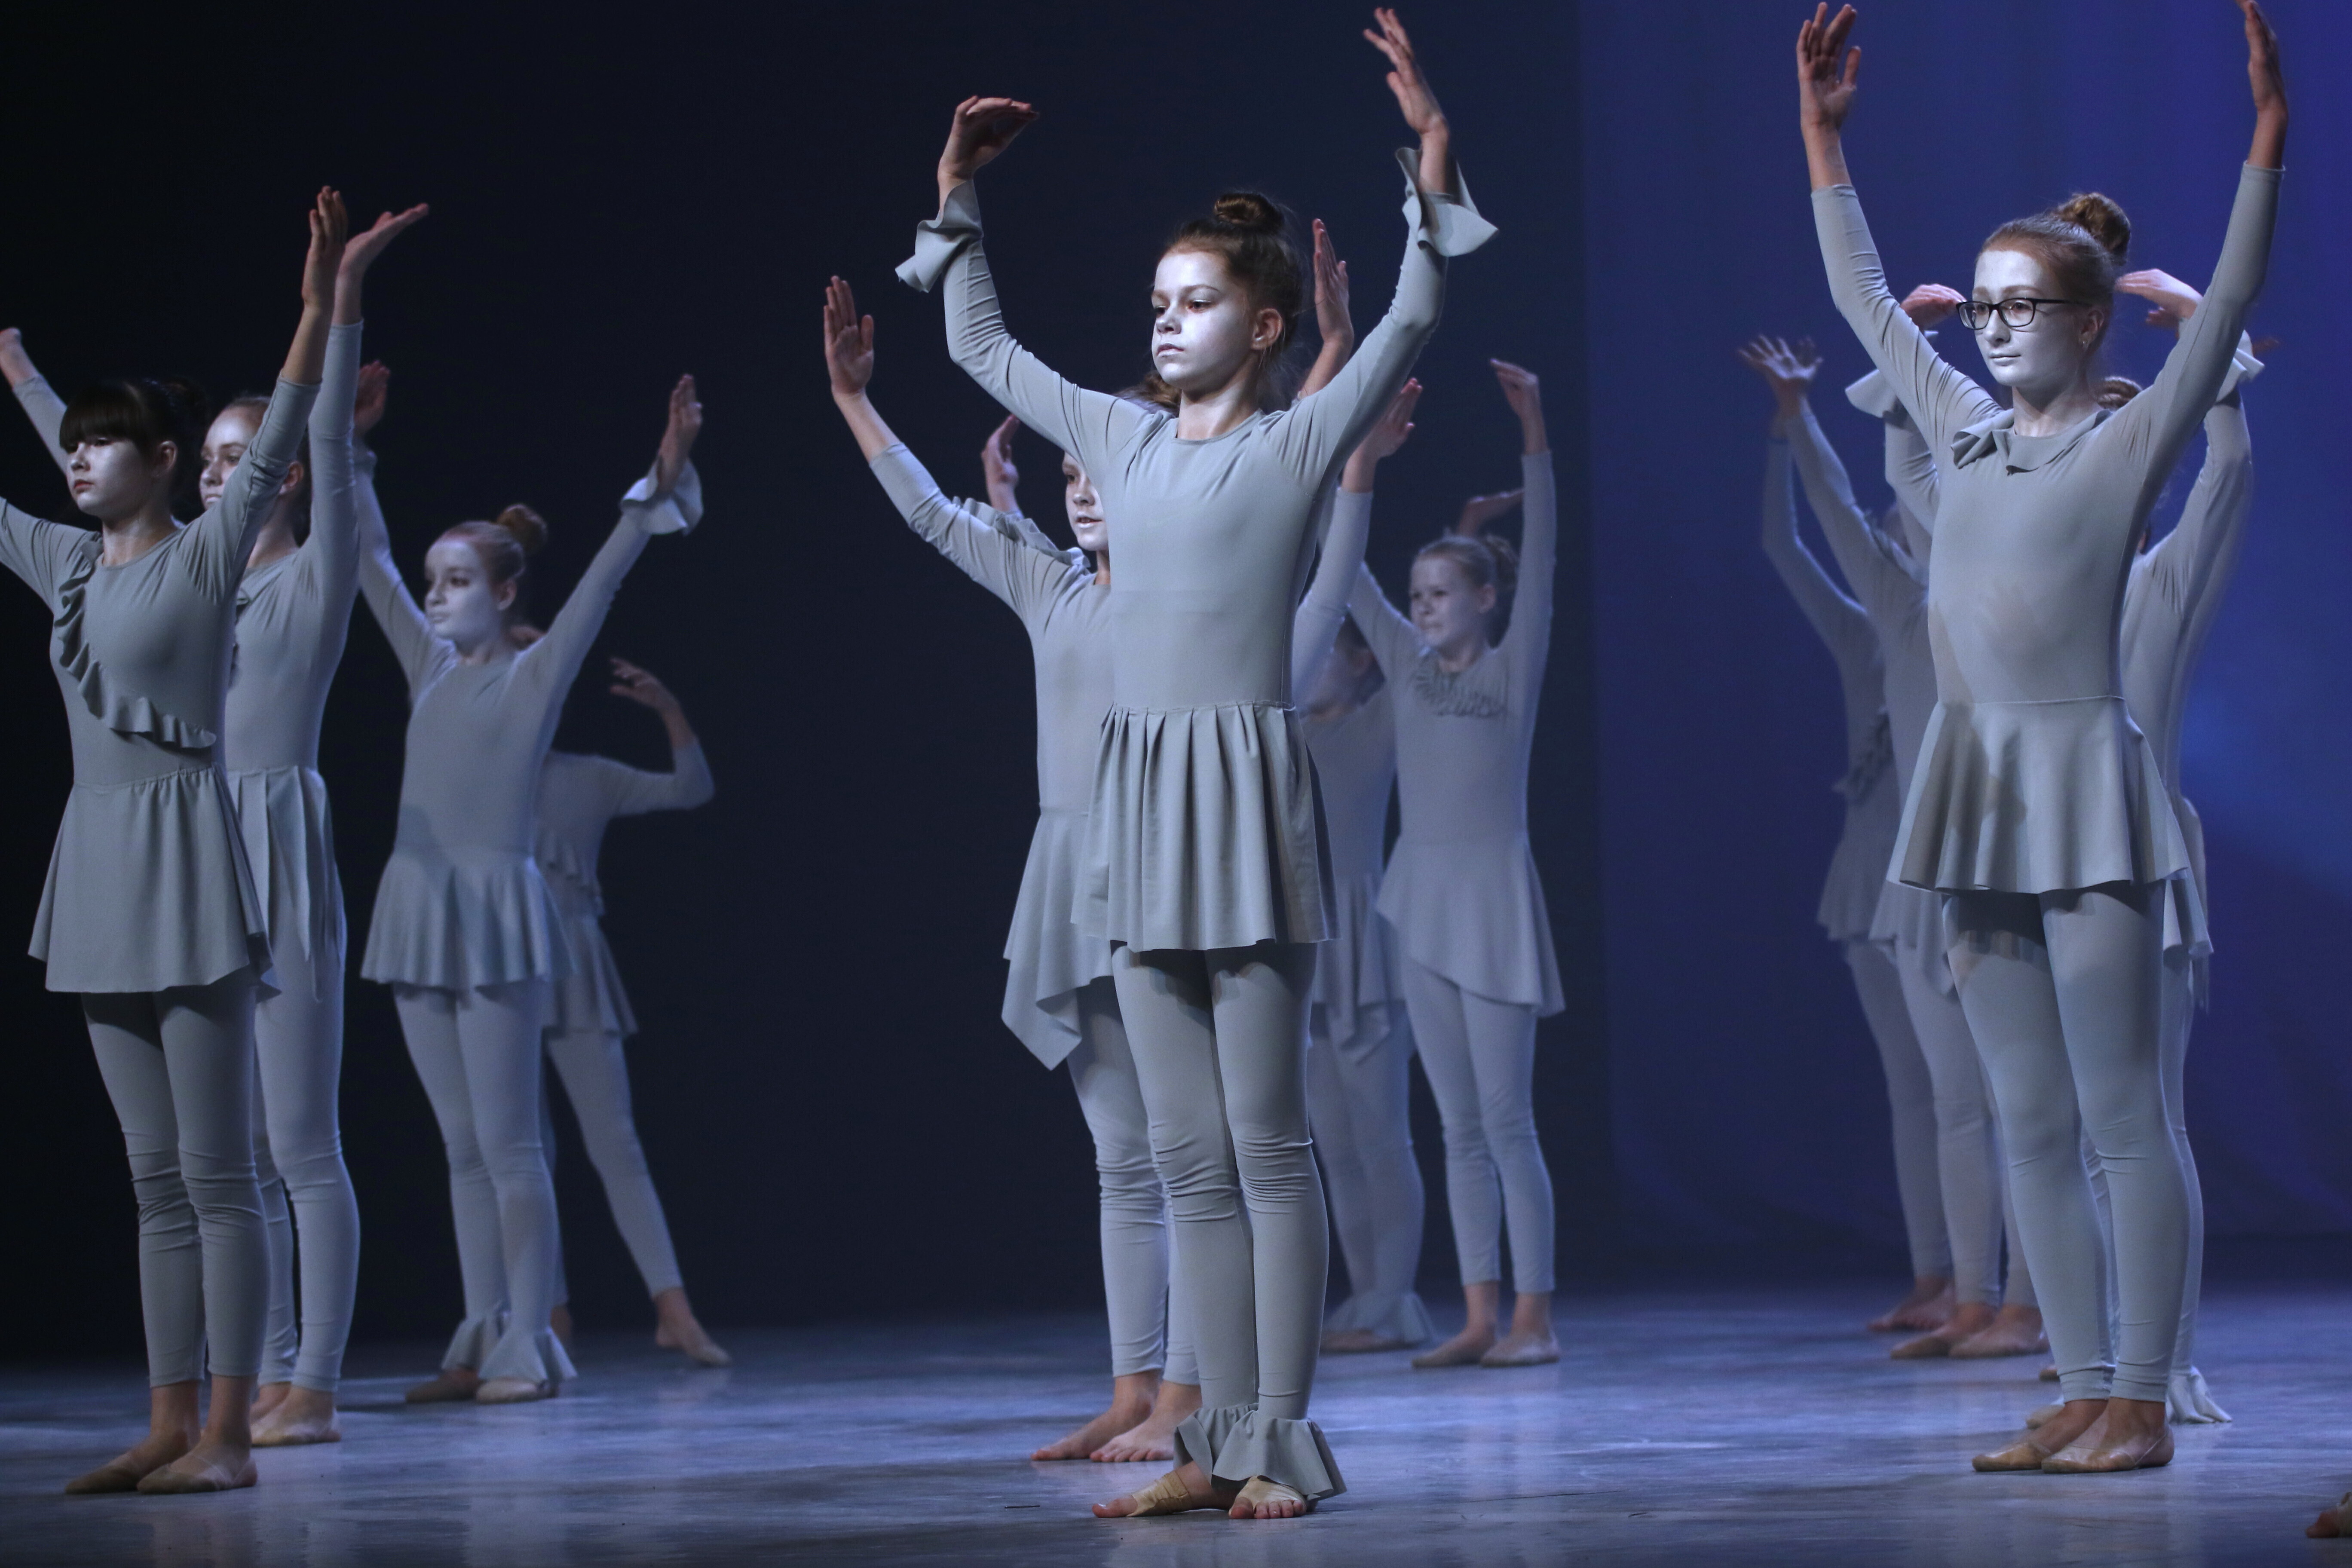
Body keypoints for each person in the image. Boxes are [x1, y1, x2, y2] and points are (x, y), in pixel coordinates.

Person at [899, 8, 1489, 1518]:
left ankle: (1280, 1441)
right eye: (1157, 301)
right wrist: (957, 194)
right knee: (1184, 1152)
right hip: (1137, 803)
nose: (1165, 323)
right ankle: (1209, 1441)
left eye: (1198, 301)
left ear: (1266, 326)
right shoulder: (1118, 437)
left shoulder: (1293, 445)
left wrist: (1430, 152)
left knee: (1266, 1142)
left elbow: (1414, 314)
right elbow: (976, 346)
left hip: (1242, 793)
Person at [1796, 0, 2283, 1472]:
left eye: (2027, 305)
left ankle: (2140, 1396)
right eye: (1988, 306)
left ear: (2088, 322)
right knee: (2025, 1116)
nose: (1999, 324)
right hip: (1978, 785)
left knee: (2120, 1112)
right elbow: (1863, 296)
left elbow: (2230, 306)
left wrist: (2265, 141)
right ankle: (2078, 1382)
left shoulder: (2129, 440)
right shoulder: (1959, 432)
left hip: (2084, 780)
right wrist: (1823, 142)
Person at [3, 202, 423, 1448]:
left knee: (294, 1142)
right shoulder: (166, 572)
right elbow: (91, 476)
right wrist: (23, 376)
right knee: (210, 1153)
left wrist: (335, 311)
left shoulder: (305, 568)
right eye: (215, 456)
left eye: (247, 457)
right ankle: (247, 1378)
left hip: (264, 841)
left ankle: (308, 1382)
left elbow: (316, 445)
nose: (225, 471)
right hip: (163, 848)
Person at [353, 374, 705, 1404]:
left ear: (505, 594)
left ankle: (529, 1344)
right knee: (462, 1146)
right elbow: (369, 560)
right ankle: (480, 1335)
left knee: (513, 1147)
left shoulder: (534, 676)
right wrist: (359, 453)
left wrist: (658, 484)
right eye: (435, 581)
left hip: (499, 910)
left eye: (458, 581)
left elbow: (601, 580)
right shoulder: (428, 668)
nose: (436, 596)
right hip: (419, 906)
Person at [1743, 334, 2049, 1362]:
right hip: (1918, 882)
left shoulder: (2005, 606)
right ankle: (1971, 1295)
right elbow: (1831, 518)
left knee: (2024, 1103)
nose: (1902, 531)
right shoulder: (1897, 619)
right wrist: (1802, 423)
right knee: (1952, 1102)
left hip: (2005, 864)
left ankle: (2035, 1303)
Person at [1343, 360, 1560, 1370]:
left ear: (1484, 596)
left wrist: (1535, 434)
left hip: (1494, 901)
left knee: (1508, 1122)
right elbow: (1344, 565)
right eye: (1417, 595)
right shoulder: (1403, 664)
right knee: (1457, 1124)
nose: (1424, 608)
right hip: (1420, 899)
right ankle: (1477, 1316)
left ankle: (1533, 1320)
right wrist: (1360, 460)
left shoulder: (1514, 668)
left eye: (1441, 594)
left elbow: (1545, 554)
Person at [532, 655, 729, 1368]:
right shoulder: (476, 776)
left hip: (575, 963)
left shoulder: (587, 776)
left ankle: (674, 1310)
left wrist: (669, 710)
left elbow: (691, 788)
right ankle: (549, 1317)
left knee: (616, 1141)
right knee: (526, 1152)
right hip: (499, 962)